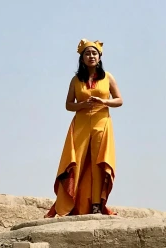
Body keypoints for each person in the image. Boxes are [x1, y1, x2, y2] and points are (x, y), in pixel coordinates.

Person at [46, 40, 123, 218]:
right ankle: (71, 204)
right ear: (82, 58)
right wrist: (81, 104)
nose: (91, 56)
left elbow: (119, 100)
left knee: (98, 163)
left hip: (101, 121)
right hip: (80, 122)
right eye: (87, 54)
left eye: (94, 53)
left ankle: (96, 204)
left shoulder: (108, 77)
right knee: (76, 162)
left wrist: (104, 101)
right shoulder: (76, 80)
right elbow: (68, 105)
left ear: (100, 56)